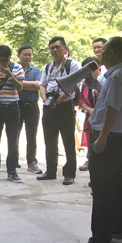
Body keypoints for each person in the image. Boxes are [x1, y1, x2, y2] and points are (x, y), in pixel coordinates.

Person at [78, 37, 122, 243]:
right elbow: (112, 102)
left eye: (103, 50)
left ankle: (101, 240)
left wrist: (101, 138)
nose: (99, 53)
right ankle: (118, 231)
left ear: (111, 53)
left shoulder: (117, 77)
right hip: (119, 137)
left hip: (109, 138)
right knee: (116, 185)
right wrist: (96, 85)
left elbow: (112, 110)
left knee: (101, 188)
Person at [38, 36, 81, 185]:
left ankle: (69, 174)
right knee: (49, 141)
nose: (55, 50)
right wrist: (46, 100)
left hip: (65, 107)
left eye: (58, 47)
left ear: (65, 49)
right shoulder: (47, 67)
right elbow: (42, 85)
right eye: (52, 48)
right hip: (49, 107)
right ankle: (50, 171)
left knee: (68, 141)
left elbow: (74, 86)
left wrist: (59, 100)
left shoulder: (73, 65)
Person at [0, 45, 25, 182]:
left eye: (6, 60)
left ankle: (12, 171)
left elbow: (20, 87)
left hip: (13, 108)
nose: (3, 63)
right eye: (1, 61)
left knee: (13, 142)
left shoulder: (17, 68)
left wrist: (10, 75)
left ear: (10, 57)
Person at [16, 45, 43, 174]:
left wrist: (20, 84)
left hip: (32, 106)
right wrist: (29, 85)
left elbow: (38, 85)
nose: (28, 57)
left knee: (32, 135)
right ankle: (13, 160)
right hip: (16, 106)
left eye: (30, 55)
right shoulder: (14, 69)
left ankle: (31, 162)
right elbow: (14, 85)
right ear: (18, 56)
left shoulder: (36, 70)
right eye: (25, 54)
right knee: (14, 134)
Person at [78, 56, 102, 172]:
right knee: (91, 140)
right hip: (90, 116)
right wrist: (90, 110)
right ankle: (90, 160)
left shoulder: (104, 81)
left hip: (102, 118)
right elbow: (81, 100)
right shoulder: (84, 84)